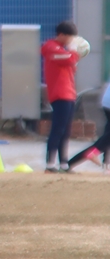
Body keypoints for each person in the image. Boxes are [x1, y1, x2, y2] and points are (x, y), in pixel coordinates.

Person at [42, 21, 81, 172]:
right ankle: (50, 163)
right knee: (58, 128)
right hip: (60, 93)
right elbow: (69, 59)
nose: (71, 40)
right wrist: (74, 51)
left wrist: (72, 53)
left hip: (69, 92)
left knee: (66, 130)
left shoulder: (63, 49)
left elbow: (72, 65)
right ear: (61, 35)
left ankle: (63, 162)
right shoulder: (51, 47)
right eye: (70, 36)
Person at [65, 83, 110, 171]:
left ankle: (70, 164)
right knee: (107, 138)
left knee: (107, 136)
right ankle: (96, 154)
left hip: (106, 101)